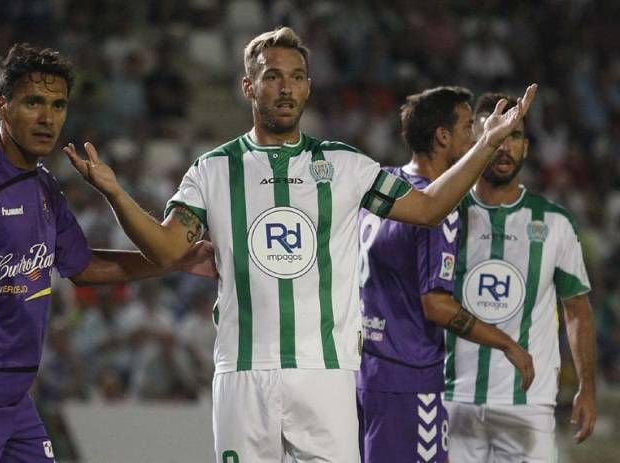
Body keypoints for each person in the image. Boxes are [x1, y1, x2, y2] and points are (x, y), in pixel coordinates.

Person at [64, 27, 537, 462]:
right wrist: (116, 193)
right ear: (248, 87)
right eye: (272, 76)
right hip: (243, 372)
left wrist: (485, 145)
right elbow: (167, 250)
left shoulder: (346, 165)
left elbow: (429, 208)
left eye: (296, 77)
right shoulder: (213, 169)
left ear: (309, 87)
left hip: (326, 375)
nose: (286, 88)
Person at [0, 43, 212, 463]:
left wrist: (169, 263)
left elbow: (84, 267)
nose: (48, 118)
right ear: (1, 107)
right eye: (34, 103)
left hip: (14, 394)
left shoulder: (44, 186)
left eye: (58, 105)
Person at [356, 87, 534, 463]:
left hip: (363, 376)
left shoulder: (382, 186)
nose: (474, 137)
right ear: (443, 136)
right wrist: (507, 344)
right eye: (469, 127)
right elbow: (436, 305)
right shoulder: (439, 210)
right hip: (409, 378)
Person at [444, 92, 597, 462]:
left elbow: (577, 310)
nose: (505, 147)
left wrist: (586, 388)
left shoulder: (555, 222)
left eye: (515, 137)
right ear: (477, 143)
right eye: (496, 135)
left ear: (526, 148)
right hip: (453, 398)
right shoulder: (446, 211)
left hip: (528, 404)